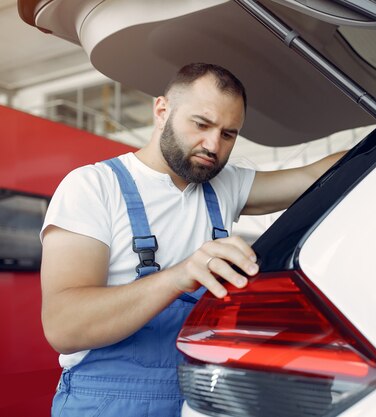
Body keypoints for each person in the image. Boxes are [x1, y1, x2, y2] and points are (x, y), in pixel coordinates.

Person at [40, 63, 346, 417]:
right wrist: (180, 275)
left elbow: (316, 176)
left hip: (198, 400)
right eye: (201, 124)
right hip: (107, 403)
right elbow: (64, 326)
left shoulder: (224, 186)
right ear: (162, 110)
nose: (213, 145)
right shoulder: (94, 187)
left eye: (228, 134)